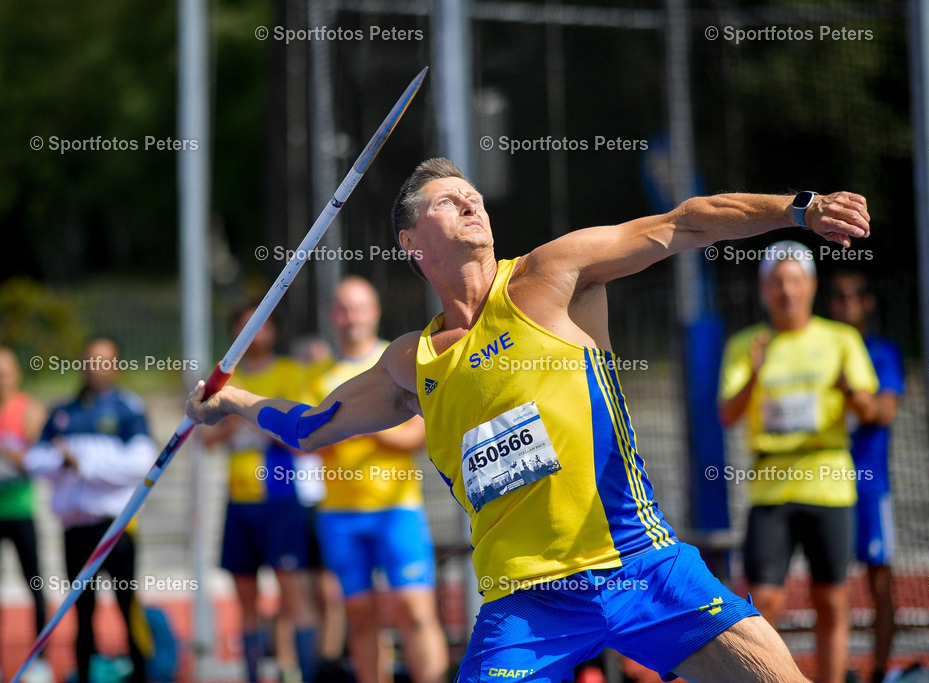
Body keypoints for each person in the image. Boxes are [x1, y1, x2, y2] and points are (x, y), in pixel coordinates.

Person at [187, 158, 871, 682]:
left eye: (474, 196)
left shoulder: (550, 276)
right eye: (449, 201)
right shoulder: (412, 362)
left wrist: (800, 209)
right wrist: (233, 401)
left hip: (640, 565)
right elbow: (311, 425)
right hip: (526, 601)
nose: (472, 203)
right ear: (410, 240)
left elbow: (685, 222)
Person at [718, 243, 880, 683]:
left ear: (809, 286)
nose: (785, 291)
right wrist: (754, 373)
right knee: (760, 604)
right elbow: (727, 414)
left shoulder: (841, 339)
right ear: (763, 289)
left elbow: (869, 410)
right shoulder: (745, 344)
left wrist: (852, 392)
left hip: (828, 483)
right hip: (770, 489)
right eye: (776, 282)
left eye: (794, 280)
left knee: (831, 601)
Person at [308, 276, 447, 683]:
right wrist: (370, 425)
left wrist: (356, 424)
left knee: (416, 613)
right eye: (344, 309)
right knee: (360, 618)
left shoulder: (398, 361)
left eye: (360, 308)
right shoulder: (320, 376)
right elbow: (311, 442)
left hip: (397, 511)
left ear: (375, 312)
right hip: (340, 516)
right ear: (334, 316)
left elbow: (416, 436)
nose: (351, 318)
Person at [24, 338, 154, 683]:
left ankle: (141, 673)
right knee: (81, 611)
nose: (95, 368)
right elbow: (36, 460)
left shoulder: (128, 408)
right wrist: (63, 462)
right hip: (75, 529)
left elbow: (141, 462)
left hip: (116, 528)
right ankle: (85, 674)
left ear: (116, 365)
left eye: (103, 361)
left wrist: (82, 463)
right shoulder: (63, 411)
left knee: (128, 607)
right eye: (89, 360)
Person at [201, 306, 319, 683]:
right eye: (242, 324)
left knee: (293, 595)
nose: (252, 331)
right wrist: (236, 420)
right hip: (239, 502)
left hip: (281, 499)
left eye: (261, 323)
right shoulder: (221, 381)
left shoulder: (289, 373)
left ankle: (304, 672)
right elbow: (206, 438)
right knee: (245, 601)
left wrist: (250, 414)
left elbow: (304, 434)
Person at [828, 271, 903, 683]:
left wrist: (848, 390)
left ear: (868, 302)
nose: (846, 303)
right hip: (824, 484)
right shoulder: (819, 347)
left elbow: (884, 412)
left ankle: (879, 671)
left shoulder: (881, 351)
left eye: (854, 295)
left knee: (880, 582)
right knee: (831, 583)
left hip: (871, 486)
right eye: (837, 297)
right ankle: (836, 671)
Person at [0, 347, 53, 682]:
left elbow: (37, 461)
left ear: (16, 375)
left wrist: (12, 453)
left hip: (20, 511)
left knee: (34, 584)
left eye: (4, 373)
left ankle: (42, 661)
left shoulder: (29, 410)